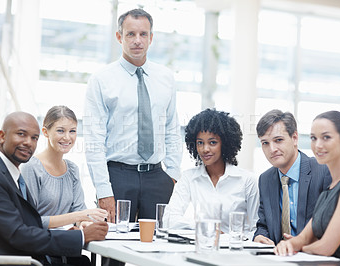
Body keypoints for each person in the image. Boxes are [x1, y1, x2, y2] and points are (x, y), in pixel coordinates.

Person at [84, 8, 182, 223]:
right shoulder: (101, 80)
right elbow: (94, 138)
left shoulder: (165, 78)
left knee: (158, 245)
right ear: (119, 37)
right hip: (118, 176)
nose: (137, 40)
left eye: (143, 34)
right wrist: (103, 190)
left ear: (151, 38)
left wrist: (173, 175)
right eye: (130, 34)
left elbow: (172, 129)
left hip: (157, 177)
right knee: (113, 250)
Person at [0, 111, 108, 265]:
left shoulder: (8, 172)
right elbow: (18, 235)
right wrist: (82, 236)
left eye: (34, 138)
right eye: (21, 134)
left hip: (28, 256)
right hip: (16, 260)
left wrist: (67, 233)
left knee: (81, 262)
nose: (28, 143)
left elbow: (28, 224)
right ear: (2, 136)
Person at [275, 111, 340, 263]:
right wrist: (289, 244)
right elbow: (304, 237)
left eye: (326, 137)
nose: (318, 145)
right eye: (313, 138)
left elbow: (325, 248)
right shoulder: (331, 187)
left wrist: (298, 247)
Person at [166, 109, 259, 237]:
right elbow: (169, 219)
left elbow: (256, 228)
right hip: (202, 246)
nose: (205, 149)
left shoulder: (247, 180)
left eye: (212, 142)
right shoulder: (189, 177)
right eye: (200, 143)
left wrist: (229, 237)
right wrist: (206, 227)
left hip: (235, 250)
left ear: (225, 143)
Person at [253, 109, 331, 245]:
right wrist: (259, 236)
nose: (272, 149)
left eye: (278, 140)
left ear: (295, 138)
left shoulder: (323, 171)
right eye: (265, 143)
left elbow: (331, 226)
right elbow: (263, 224)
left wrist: (299, 243)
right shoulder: (265, 179)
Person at [21, 106, 107, 229]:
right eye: (60, 131)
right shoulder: (31, 168)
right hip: (38, 244)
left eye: (72, 131)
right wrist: (79, 216)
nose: (67, 137)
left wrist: (86, 222)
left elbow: (79, 211)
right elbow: (30, 220)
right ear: (45, 132)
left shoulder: (72, 169)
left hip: (65, 241)